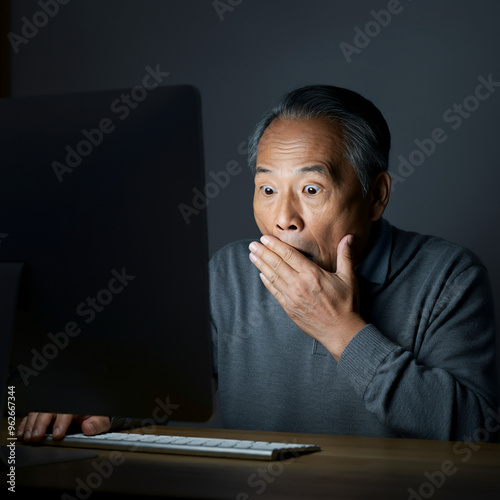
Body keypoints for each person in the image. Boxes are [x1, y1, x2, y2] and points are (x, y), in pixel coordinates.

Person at [18, 85, 498, 443]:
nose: (284, 218)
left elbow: (478, 432)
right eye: (267, 189)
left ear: (376, 196)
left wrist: (343, 332)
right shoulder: (231, 272)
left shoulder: (448, 277)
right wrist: (99, 407)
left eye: (311, 190)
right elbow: (158, 386)